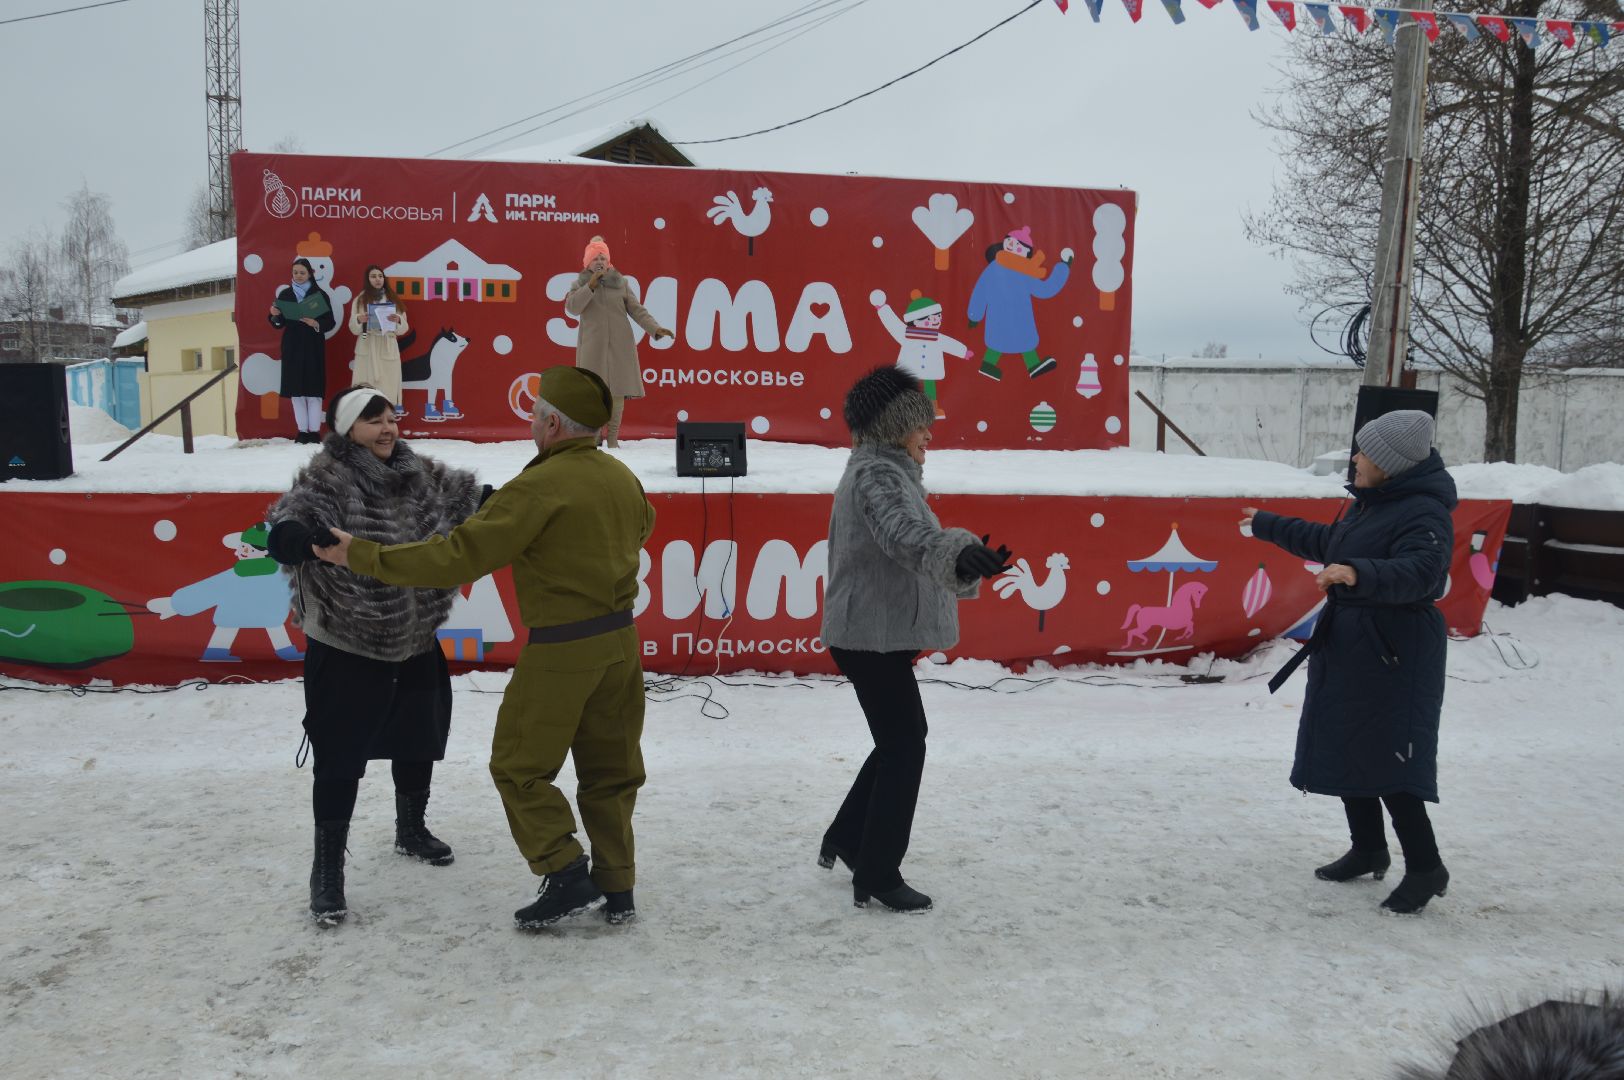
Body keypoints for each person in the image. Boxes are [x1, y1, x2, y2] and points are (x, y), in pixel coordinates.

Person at [312, 366, 655, 930]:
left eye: (535, 412)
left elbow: (455, 558)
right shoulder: (620, 476)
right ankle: (617, 886)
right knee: (613, 773)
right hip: (621, 645)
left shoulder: (537, 488)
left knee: (518, 767)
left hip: (563, 651)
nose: (531, 421)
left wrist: (359, 553)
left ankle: (566, 869)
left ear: (550, 422)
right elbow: (644, 525)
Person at [266, 384, 484, 925]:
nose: (387, 429)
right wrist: (300, 539)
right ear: (346, 429)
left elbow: (474, 498)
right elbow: (285, 526)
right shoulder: (325, 477)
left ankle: (411, 830)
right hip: (349, 639)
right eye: (372, 421)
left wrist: (521, 502)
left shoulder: (421, 472)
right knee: (340, 756)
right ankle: (327, 871)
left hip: (414, 636)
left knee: (419, 736)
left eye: (391, 418)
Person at [1241, 409, 1455, 915]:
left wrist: (1358, 573)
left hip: (1394, 653)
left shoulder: (1423, 511)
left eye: (1364, 452)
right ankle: (1369, 848)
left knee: (1390, 762)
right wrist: (1267, 525)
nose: (1355, 458)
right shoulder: (1373, 504)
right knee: (1348, 744)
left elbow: (1425, 572)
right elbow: (1331, 544)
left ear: (1390, 463)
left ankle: (1426, 867)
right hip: (1353, 645)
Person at [818, 366, 1012, 913]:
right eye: (922, 426)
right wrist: (958, 553)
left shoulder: (885, 471)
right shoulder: (877, 476)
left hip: (875, 635)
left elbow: (909, 536)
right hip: (868, 638)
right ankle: (878, 872)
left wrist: (961, 554)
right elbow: (907, 536)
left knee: (897, 741)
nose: (930, 435)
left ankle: (849, 838)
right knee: (907, 744)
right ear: (896, 426)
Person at [565, 235, 673, 448]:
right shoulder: (579, 283)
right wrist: (590, 287)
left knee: (617, 393)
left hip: (620, 345)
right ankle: (594, 436)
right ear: (588, 262)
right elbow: (572, 308)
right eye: (595, 258)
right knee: (594, 394)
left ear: (609, 262)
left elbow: (636, 310)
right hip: (592, 346)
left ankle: (612, 438)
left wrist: (655, 328)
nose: (600, 262)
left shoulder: (621, 283)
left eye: (603, 258)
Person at [268, 257, 337, 444]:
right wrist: (274, 316)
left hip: (313, 345)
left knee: (313, 392)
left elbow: (330, 322)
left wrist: (316, 323)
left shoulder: (320, 294)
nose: (298, 276)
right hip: (292, 345)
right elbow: (277, 322)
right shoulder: (285, 295)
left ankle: (314, 432)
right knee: (296, 393)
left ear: (310, 274)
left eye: (302, 273)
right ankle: (302, 431)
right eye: (295, 272)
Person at [348, 264, 410, 418]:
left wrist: (397, 320)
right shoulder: (360, 300)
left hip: (387, 346)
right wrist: (359, 319)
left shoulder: (393, 299)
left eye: (380, 276)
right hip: (367, 345)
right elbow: (353, 328)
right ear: (367, 279)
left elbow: (404, 328)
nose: (377, 279)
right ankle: (366, 425)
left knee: (387, 388)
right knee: (365, 390)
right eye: (373, 276)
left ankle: (385, 423)